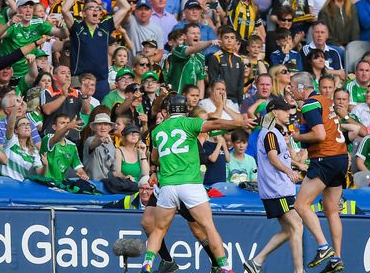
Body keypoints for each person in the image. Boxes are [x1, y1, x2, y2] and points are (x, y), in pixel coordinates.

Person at [140, 94, 253, 273]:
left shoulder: (156, 131)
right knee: (208, 227)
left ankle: (146, 265)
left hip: (168, 186)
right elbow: (214, 124)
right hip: (190, 184)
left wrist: (166, 163)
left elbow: (154, 157)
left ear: (168, 110)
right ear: (186, 109)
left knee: (159, 229)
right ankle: (224, 267)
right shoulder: (190, 123)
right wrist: (239, 123)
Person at [290, 72, 348, 273]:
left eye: (292, 87)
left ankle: (323, 247)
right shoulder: (325, 100)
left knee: (300, 204)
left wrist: (297, 136)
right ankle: (337, 258)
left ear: (300, 88)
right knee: (332, 210)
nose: (290, 91)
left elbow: (320, 134)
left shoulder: (309, 103)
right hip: (341, 157)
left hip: (325, 158)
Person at [244, 97, 304, 273]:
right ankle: (298, 271)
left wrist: (298, 165)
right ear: (274, 112)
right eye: (285, 110)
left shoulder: (274, 131)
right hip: (277, 189)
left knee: (289, 229)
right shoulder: (269, 132)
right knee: (296, 225)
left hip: (279, 188)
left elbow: (280, 156)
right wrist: (289, 171)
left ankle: (256, 261)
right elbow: (272, 157)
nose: (288, 113)